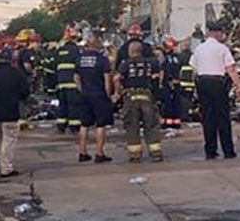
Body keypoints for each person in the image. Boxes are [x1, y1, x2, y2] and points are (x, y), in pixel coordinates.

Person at [190, 20, 240, 160]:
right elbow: (230, 69)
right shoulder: (222, 48)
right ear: (217, 33)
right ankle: (228, 150)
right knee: (223, 118)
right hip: (218, 83)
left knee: (208, 117)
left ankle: (210, 150)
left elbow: (193, 66)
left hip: (203, 82)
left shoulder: (199, 48)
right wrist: (238, 86)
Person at [0, 46, 30, 178]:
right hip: (10, 112)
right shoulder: (16, 73)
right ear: (11, 59)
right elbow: (25, 92)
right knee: (9, 140)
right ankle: (6, 168)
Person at [116, 41, 164, 163]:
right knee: (151, 125)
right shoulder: (149, 63)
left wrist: (118, 92)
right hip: (147, 95)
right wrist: (157, 84)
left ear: (131, 51)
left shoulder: (126, 64)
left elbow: (117, 78)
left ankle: (135, 155)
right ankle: (156, 153)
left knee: (132, 126)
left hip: (131, 96)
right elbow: (160, 71)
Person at [75, 33, 114, 163]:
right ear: (97, 45)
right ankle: (99, 153)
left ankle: (82, 152)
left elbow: (76, 77)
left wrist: (81, 90)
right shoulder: (102, 59)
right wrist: (108, 94)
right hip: (99, 94)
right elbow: (107, 79)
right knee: (101, 124)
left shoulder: (79, 59)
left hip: (85, 94)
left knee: (84, 124)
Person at [54, 27, 79, 134]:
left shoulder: (59, 51)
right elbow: (79, 66)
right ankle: (74, 127)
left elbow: (55, 66)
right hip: (72, 82)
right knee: (73, 105)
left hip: (61, 82)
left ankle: (61, 125)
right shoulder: (76, 50)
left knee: (62, 105)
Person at [159, 36, 184, 129]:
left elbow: (162, 71)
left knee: (167, 104)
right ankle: (176, 123)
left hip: (167, 84)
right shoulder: (177, 57)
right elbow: (180, 71)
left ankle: (167, 123)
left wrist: (160, 84)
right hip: (176, 83)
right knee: (176, 104)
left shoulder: (165, 58)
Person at [177, 39, 196, 123]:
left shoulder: (180, 56)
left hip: (183, 81)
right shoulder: (192, 55)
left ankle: (184, 115)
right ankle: (189, 114)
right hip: (191, 82)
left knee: (183, 99)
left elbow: (177, 68)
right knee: (189, 98)